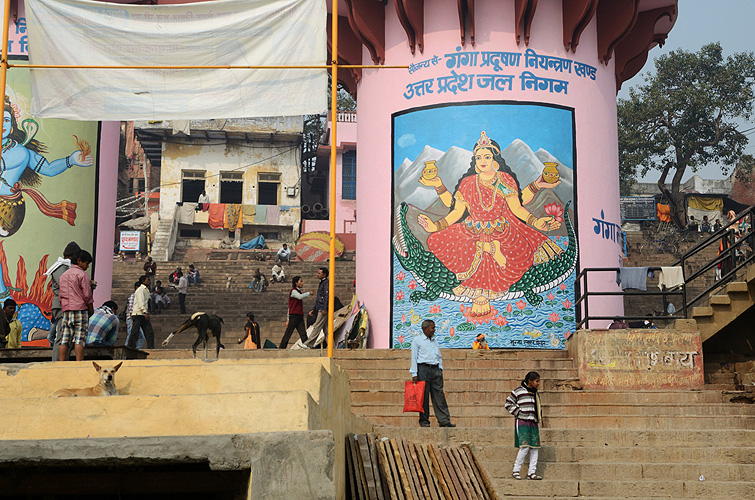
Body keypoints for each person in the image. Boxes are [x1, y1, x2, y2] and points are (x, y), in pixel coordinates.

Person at [417, 131, 562, 318]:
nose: (482, 160)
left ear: (495, 160)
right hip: (471, 230)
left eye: (486, 156)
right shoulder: (468, 183)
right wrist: (434, 226)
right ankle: (486, 247)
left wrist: (536, 221)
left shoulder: (504, 180)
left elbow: (517, 207)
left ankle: (481, 295)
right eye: (478, 158)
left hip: (501, 231)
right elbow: (455, 212)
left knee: (501, 257)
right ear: (475, 162)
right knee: (436, 240)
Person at [410, 319, 455, 428]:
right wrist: (414, 373)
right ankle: (424, 421)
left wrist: (440, 368)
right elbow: (414, 357)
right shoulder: (417, 340)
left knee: (439, 396)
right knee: (424, 397)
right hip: (423, 369)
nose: (434, 330)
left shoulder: (434, 341)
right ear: (426, 329)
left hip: (435, 370)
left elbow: (438, 355)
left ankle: (444, 421)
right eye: (432, 328)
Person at [45, 241, 80, 361]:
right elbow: (66, 284)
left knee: (68, 338)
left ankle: (64, 362)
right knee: (61, 337)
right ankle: (57, 365)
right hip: (62, 306)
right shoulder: (61, 267)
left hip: (69, 305)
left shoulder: (67, 267)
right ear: (72, 256)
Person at [505, 371, 543, 480]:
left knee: (535, 448)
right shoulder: (518, 391)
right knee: (525, 446)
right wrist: (519, 412)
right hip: (522, 422)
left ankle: (532, 473)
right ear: (530, 381)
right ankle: (516, 470)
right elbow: (508, 403)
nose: (538, 383)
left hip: (533, 422)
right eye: (536, 381)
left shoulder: (535, 393)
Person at [58, 250, 94, 361]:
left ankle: (61, 364)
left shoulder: (63, 275)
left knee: (64, 339)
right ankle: (79, 364)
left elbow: (60, 295)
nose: (87, 266)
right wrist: (91, 310)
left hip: (66, 310)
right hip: (80, 309)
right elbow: (87, 295)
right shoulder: (82, 275)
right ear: (79, 261)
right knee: (80, 338)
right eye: (86, 263)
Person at [279, 276, 312, 349]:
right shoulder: (294, 291)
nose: (302, 283)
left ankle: (306, 345)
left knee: (303, 332)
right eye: (301, 281)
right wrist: (308, 293)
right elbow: (300, 297)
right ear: (296, 283)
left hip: (299, 316)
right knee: (289, 332)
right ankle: (282, 347)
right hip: (294, 316)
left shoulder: (298, 291)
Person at [304, 267, 330, 348]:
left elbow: (326, 296)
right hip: (320, 307)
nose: (317, 274)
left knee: (317, 326)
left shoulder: (326, 283)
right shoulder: (322, 283)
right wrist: (314, 309)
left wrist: (325, 308)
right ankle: (332, 346)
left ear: (324, 274)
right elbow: (318, 298)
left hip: (322, 309)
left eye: (319, 273)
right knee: (326, 330)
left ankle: (309, 344)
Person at [128, 275, 155, 349]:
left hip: (142, 314)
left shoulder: (146, 290)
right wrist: (145, 312)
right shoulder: (140, 290)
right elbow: (141, 302)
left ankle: (151, 349)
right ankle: (130, 348)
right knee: (134, 333)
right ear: (143, 281)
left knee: (149, 332)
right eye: (148, 280)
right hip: (138, 314)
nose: (149, 281)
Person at [125, 281, 146, 349]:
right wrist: (132, 319)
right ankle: (126, 350)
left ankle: (134, 350)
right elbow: (131, 308)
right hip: (132, 318)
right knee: (131, 335)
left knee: (139, 336)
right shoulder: (133, 296)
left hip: (135, 318)